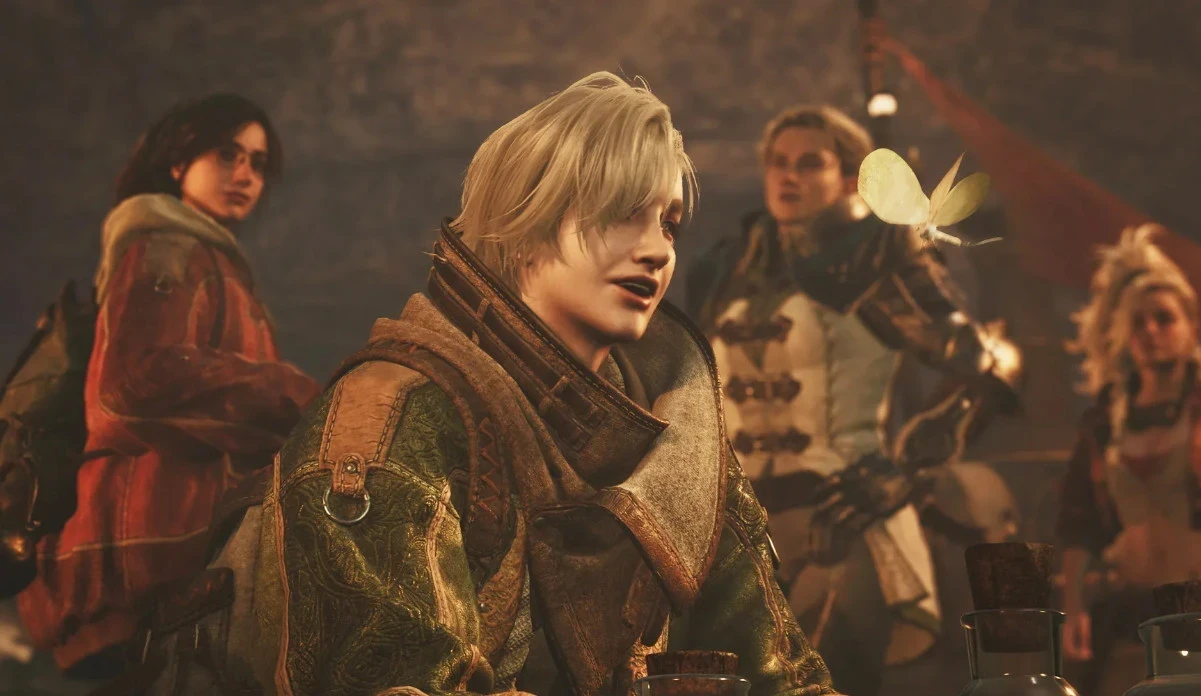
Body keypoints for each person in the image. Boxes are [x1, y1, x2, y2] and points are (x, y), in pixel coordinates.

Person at [107, 72, 840, 696]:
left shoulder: (678, 430)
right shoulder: (389, 420)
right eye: (622, 214)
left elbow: (783, 674)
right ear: (526, 226)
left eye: (669, 223)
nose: (656, 250)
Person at [686, 105, 1021, 696]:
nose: (788, 176)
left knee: (831, 678)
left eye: (808, 163)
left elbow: (992, 362)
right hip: (736, 529)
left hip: (844, 512)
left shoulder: (878, 254)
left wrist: (903, 470)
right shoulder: (725, 266)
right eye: (778, 163)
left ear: (848, 179)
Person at [14, 93, 320, 677]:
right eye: (227, 154)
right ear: (178, 162)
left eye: (257, 163)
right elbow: (133, 385)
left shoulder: (211, 260)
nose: (245, 175)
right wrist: (290, 394)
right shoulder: (165, 248)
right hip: (149, 559)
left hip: (174, 560)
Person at [1058, 224, 1201, 696]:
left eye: (1164, 318)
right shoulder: (1106, 420)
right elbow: (1078, 520)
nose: (1151, 331)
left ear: (1191, 326)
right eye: (1138, 322)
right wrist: (1075, 606)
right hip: (1131, 617)